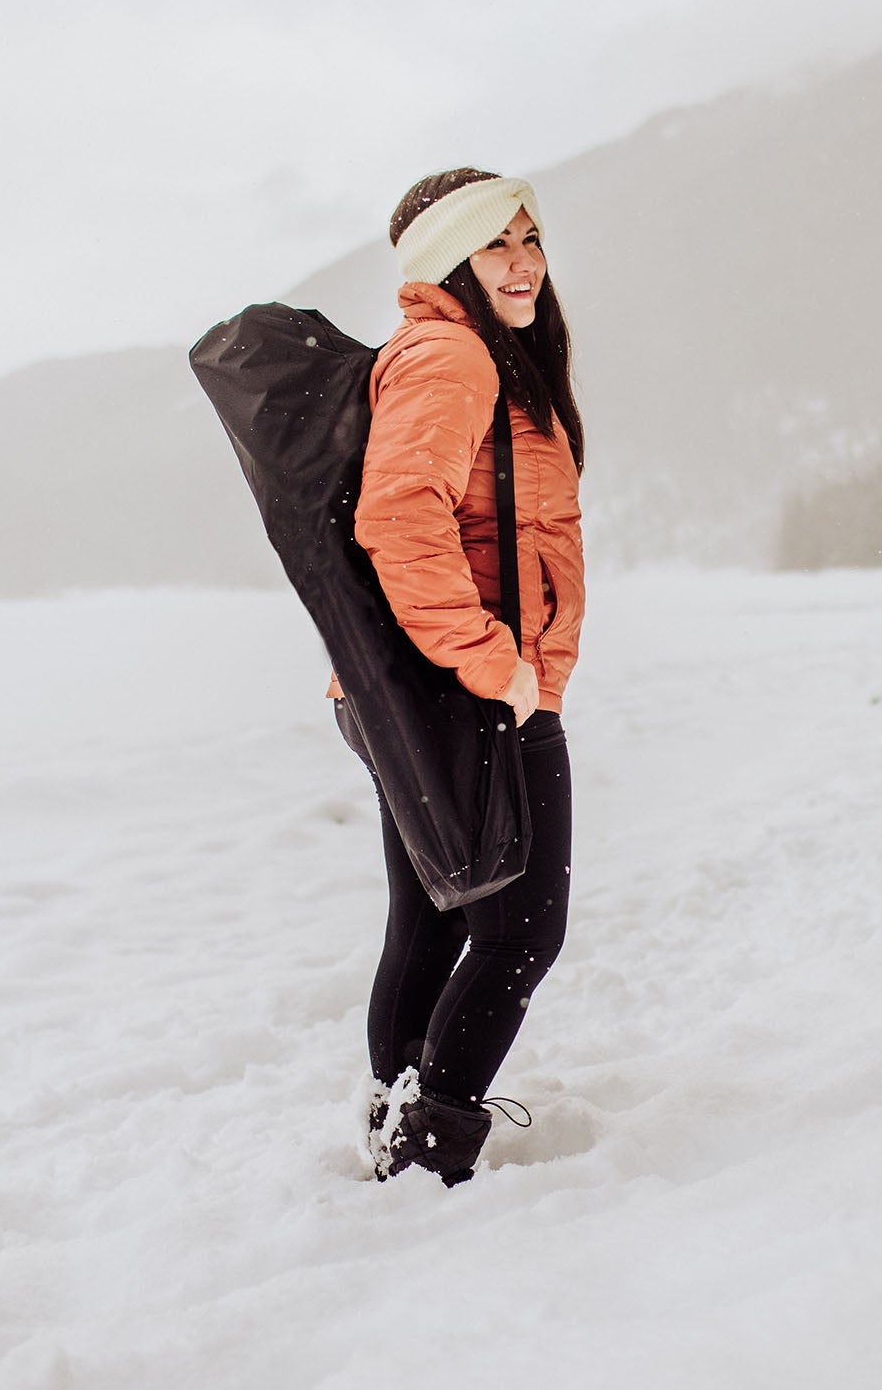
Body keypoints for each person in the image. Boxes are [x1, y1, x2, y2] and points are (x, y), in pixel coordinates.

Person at [330, 168, 586, 1186]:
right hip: (470, 691)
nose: (523, 260)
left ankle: (397, 1119)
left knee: (434, 917)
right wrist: (498, 665)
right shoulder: (450, 354)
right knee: (522, 930)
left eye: (530, 236)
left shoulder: (469, 353)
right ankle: (429, 1145)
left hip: (418, 689)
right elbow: (399, 518)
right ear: (448, 261)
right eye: (496, 243)